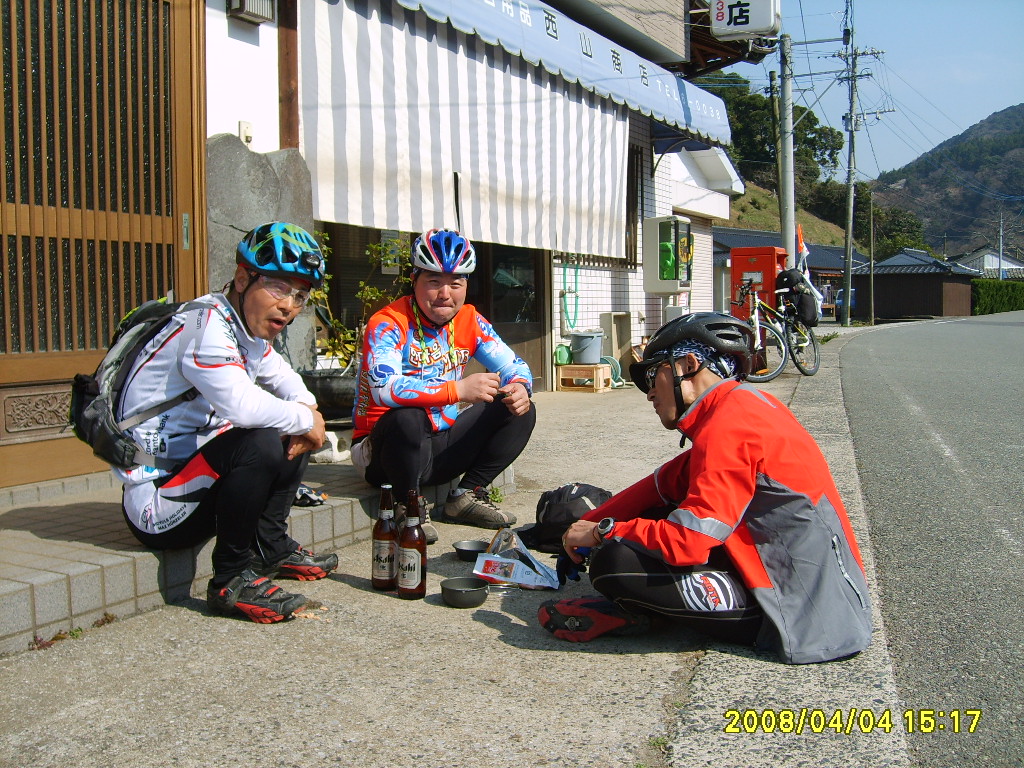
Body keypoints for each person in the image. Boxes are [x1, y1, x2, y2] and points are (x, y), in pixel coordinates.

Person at [539, 312, 872, 664]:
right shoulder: (740, 405)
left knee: (615, 559)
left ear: (688, 364)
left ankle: (641, 614)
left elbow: (689, 542)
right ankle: (646, 607)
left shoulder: (731, 424)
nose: (649, 391)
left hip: (800, 619)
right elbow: (663, 483)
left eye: (653, 375)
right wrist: (584, 524)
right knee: (645, 521)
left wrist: (601, 532)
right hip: (809, 593)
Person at [115, 222, 339, 624]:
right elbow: (243, 407)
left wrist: (309, 411)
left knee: (290, 426)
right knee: (263, 438)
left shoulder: (243, 327)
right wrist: (307, 418)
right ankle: (231, 580)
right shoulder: (205, 327)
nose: (289, 305)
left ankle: (270, 548)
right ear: (242, 278)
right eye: (278, 287)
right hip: (156, 502)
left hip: (193, 476)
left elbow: (286, 378)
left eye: (300, 295)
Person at [351, 228, 536, 543]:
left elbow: (514, 366)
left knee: (519, 408)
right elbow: (385, 387)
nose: (444, 293)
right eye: (433, 282)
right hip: (382, 455)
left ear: (466, 285)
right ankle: (407, 504)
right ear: (414, 280)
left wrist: (519, 385)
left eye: (456, 283)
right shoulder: (388, 322)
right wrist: (459, 391)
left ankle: (465, 497)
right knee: (409, 416)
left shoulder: (470, 319)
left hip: (438, 446)